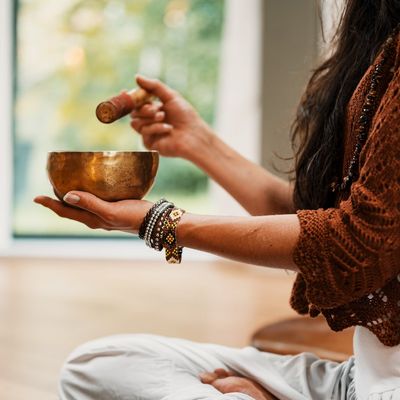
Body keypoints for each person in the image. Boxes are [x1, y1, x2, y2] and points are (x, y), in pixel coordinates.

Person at [34, 1, 400, 399]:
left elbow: (357, 241)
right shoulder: (380, 42)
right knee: (98, 365)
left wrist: (161, 222)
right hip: (355, 381)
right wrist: (199, 143)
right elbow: (318, 222)